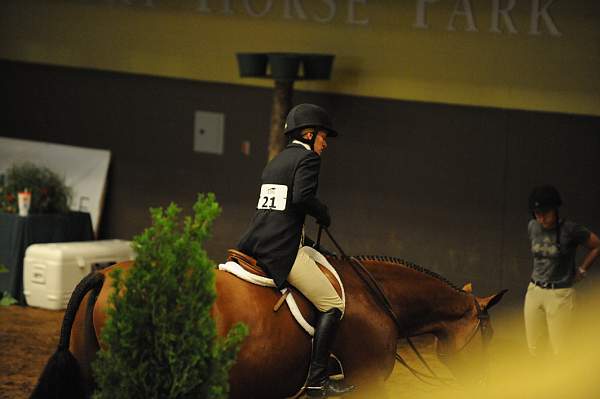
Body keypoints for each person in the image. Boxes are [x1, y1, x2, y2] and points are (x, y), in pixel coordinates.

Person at [237, 103, 355, 397]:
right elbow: (302, 197)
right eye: (323, 136)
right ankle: (317, 381)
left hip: (255, 242)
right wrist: (322, 212)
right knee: (333, 305)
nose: (325, 143)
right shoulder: (308, 159)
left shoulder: (276, 161)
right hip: (280, 249)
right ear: (309, 132)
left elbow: (278, 209)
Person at [524, 185, 600, 357]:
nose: (541, 218)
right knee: (534, 348)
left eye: (545, 213)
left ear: (555, 210)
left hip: (560, 294)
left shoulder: (570, 229)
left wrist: (581, 270)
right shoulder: (533, 227)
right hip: (534, 290)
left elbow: (596, 245)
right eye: (537, 214)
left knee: (560, 350)